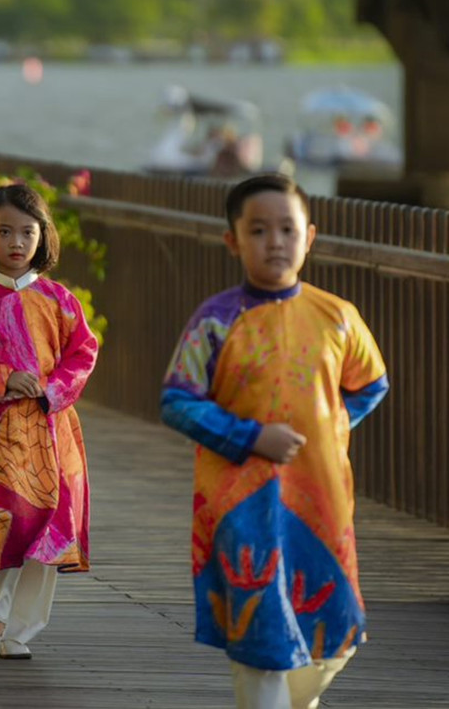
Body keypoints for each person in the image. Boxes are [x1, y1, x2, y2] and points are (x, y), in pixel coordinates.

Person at [160, 174, 389, 709]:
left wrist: (330, 429)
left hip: (321, 503)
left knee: (336, 632)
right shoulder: (216, 320)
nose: (275, 242)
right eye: (259, 230)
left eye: (287, 229)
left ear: (310, 237)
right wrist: (251, 436)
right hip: (242, 502)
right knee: (260, 637)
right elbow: (178, 400)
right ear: (233, 240)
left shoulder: (338, 318)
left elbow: (372, 383)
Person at [0, 183, 98, 662]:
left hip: (54, 433)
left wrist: (53, 390)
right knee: (5, 524)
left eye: (27, 232)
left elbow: (84, 352)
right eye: (4, 231)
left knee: (48, 531)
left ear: (42, 236)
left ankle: (21, 629)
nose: (15, 241)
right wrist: (1, 379)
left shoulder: (60, 299)